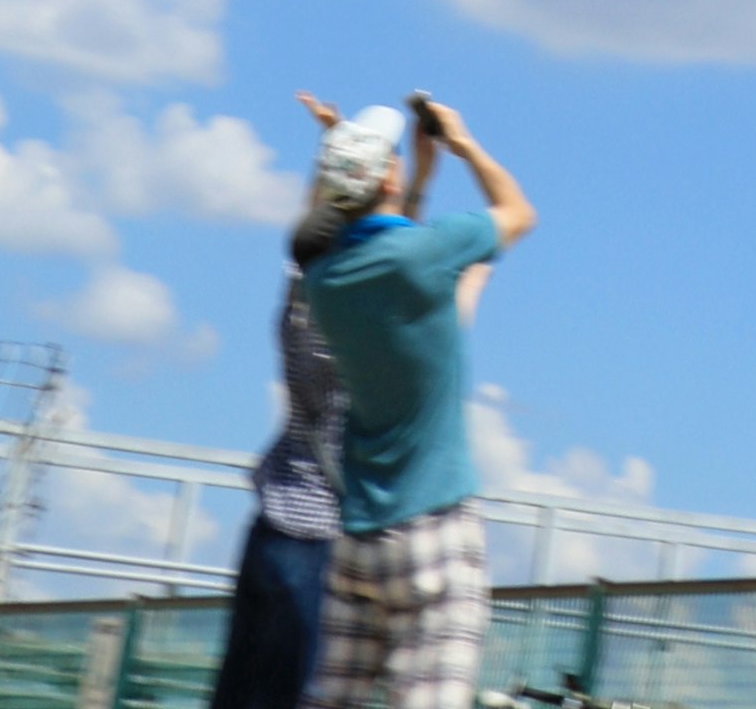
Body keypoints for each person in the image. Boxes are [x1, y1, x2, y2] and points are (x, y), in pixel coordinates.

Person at [297, 92, 534, 709]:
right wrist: (462, 145)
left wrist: (419, 176)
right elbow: (516, 213)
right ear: (389, 176)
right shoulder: (427, 254)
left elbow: (398, 251)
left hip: (357, 540)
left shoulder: (325, 283)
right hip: (433, 531)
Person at [209, 159, 354, 709]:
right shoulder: (350, 341)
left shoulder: (293, 311)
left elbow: (307, 237)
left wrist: (332, 161)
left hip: (268, 520)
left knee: (239, 685)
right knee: (292, 692)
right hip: (317, 534)